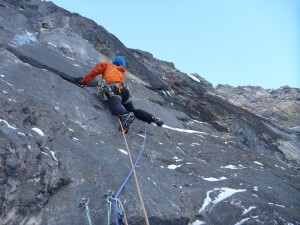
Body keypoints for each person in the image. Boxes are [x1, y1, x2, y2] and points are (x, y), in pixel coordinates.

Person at [79, 56, 164, 133]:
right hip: (124, 91)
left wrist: (83, 82)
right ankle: (152, 118)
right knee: (133, 110)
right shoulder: (121, 71)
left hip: (113, 89)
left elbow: (94, 72)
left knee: (115, 104)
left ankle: (125, 115)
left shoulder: (106, 65)